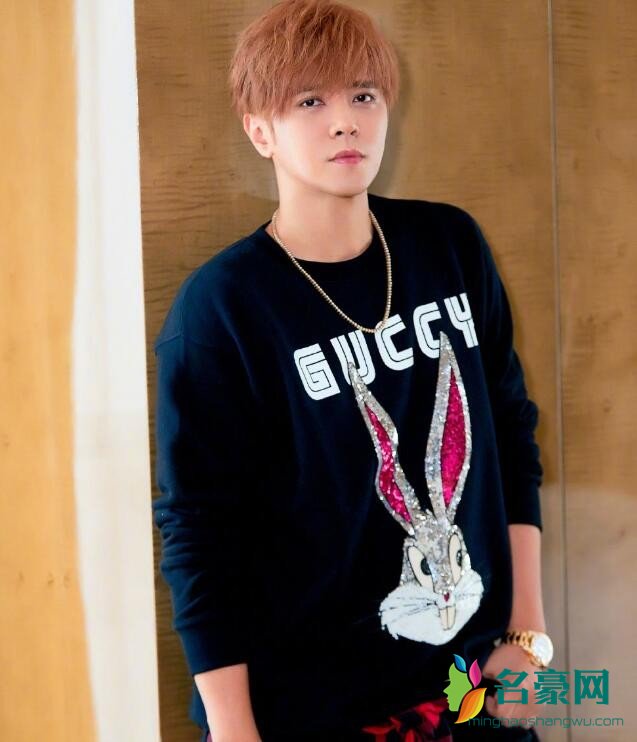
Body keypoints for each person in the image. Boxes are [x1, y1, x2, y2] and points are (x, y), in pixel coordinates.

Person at [152, 1, 552, 740]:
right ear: (260, 130)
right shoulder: (224, 308)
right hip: (314, 709)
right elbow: (200, 533)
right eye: (310, 101)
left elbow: (509, 435)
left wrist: (527, 638)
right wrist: (233, 729)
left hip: (474, 691)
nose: (345, 123)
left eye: (363, 96)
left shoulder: (449, 246)